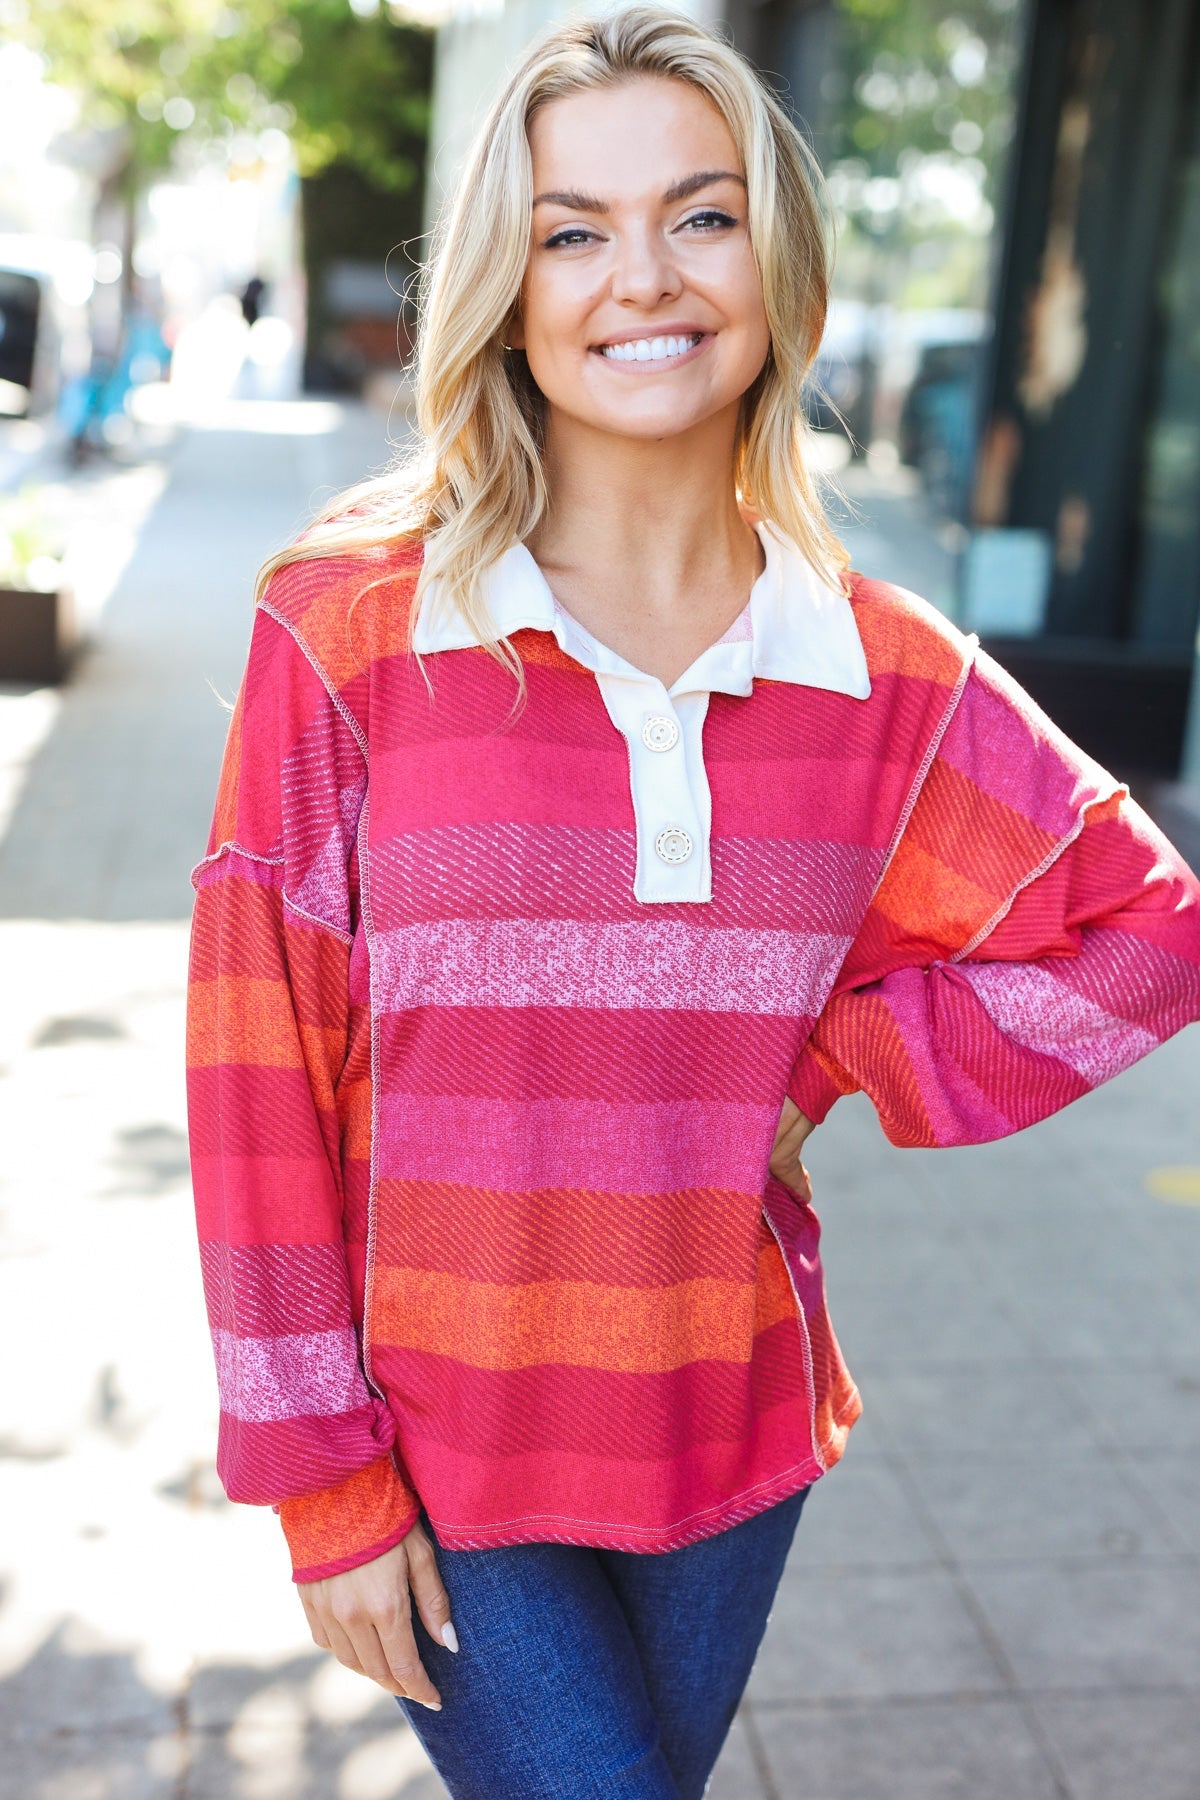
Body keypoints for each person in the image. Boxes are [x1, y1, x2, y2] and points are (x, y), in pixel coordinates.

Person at [184, 8, 1200, 1796]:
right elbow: (259, 1070)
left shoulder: (883, 676)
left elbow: (1150, 927)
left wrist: (840, 1063)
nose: (640, 276)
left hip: (722, 1431)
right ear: (509, 286)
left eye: (701, 213)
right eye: (574, 228)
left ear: (774, 256)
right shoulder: (348, 633)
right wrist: (318, 1480)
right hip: (436, 1442)